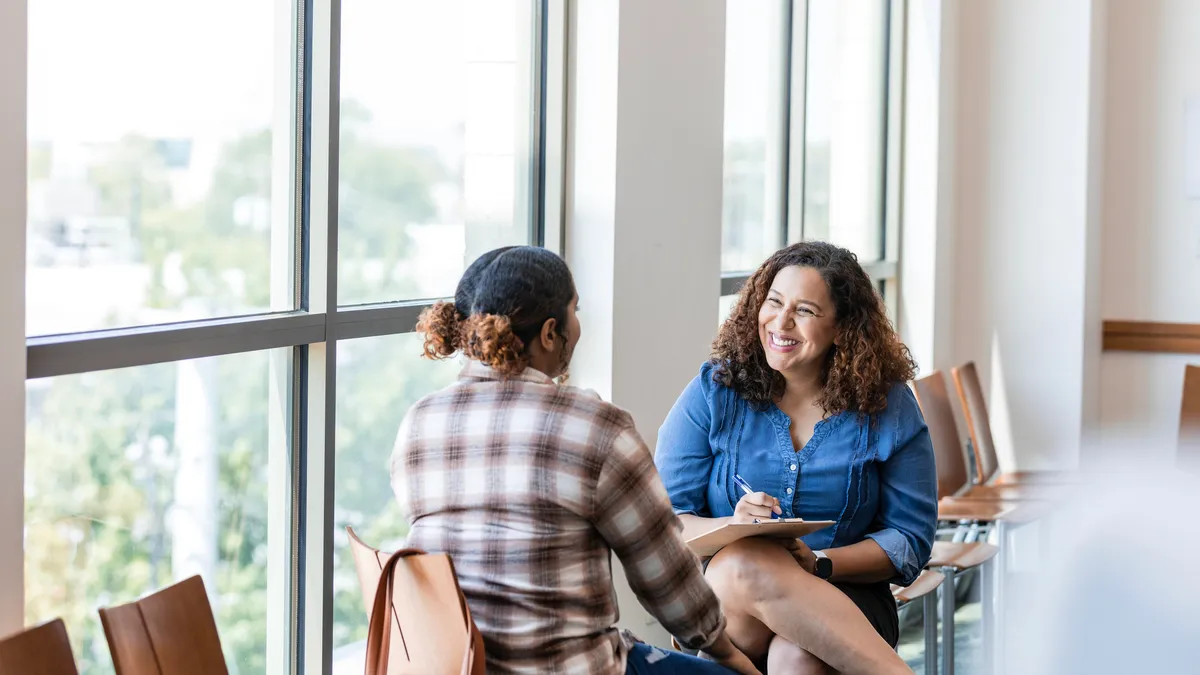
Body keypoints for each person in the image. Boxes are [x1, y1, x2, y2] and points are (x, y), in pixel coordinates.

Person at [390, 246, 759, 675]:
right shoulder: (594, 426)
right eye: (575, 310)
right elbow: (665, 579)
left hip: (453, 664)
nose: (579, 324)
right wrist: (728, 655)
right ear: (550, 332)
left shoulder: (418, 421)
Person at [656, 241, 937, 675]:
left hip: (845, 594)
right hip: (729, 603)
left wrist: (820, 563)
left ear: (843, 328)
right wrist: (731, 527)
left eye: (804, 311)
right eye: (773, 302)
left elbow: (909, 540)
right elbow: (664, 521)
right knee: (742, 561)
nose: (780, 322)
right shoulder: (715, 391)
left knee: (797, 656)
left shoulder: (889, 406)